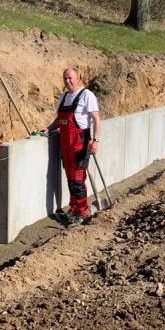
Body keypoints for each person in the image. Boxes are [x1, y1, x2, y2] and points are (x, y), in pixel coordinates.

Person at [43, 68, 101, 223]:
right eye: (65, 79)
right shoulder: (63, 97)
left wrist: (95, 140)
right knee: (70, 178)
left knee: (77, 179)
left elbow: (96, 119)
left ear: (78, 78)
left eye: (70, 78)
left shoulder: (86, 95)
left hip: (79, 144)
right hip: (65, 145)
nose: (68, 81)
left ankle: (82, 212)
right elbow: (59, 120)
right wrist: (49, 128)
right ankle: (73, 209)